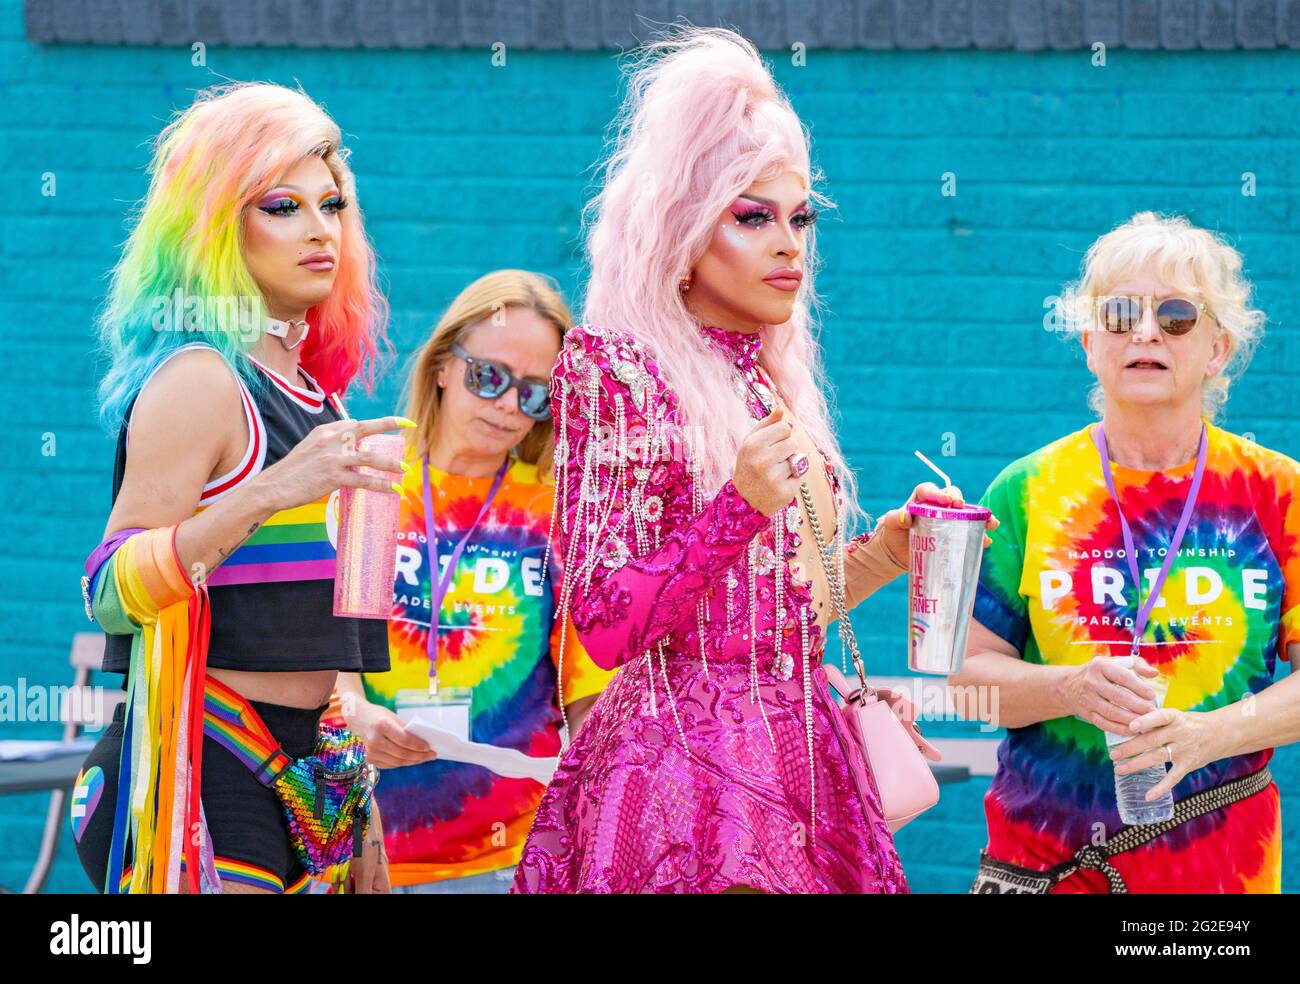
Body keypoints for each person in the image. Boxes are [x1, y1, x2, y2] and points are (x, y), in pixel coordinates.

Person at [511, 27, 993, 894]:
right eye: (753, 216)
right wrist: (737, 504)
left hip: (806, 761)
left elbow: (772, 616)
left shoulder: (771, 385)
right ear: (685, 234)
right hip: (680, 780)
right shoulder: (617, 367)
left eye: (800, 216)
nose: (789, 244)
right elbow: (606, 623)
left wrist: (887, 551)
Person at [73, 82, 403, 894]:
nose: (320, 230)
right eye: (282, 206)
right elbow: (110, 589)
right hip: (202, 764)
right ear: (218, 223)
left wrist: (358, 803)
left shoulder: (327, 404)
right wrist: (270, 491)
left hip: (312, 776)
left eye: (333, 205)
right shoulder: (201, 380)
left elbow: (334, 642)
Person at [955, 211, 1300, 894]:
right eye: (1119, 314)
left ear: (1219, 348)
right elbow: (968, 684)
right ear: (1089, 343)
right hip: (1042, 865)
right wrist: (1068, 688)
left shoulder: (1278, 492)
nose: (1144, 332)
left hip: (1218, 875)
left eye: (1175, 316)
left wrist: (1210, 734)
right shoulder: (1025, 490)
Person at [337, 270, 615, 893]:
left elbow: (587, 700)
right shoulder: (372, 486)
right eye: (488, 376)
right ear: (442, 365)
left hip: (508, 859)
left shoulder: (558, 513)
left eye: (535, 393)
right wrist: (353, 713)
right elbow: (336, 661)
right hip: (361, 846)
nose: (508, 405)